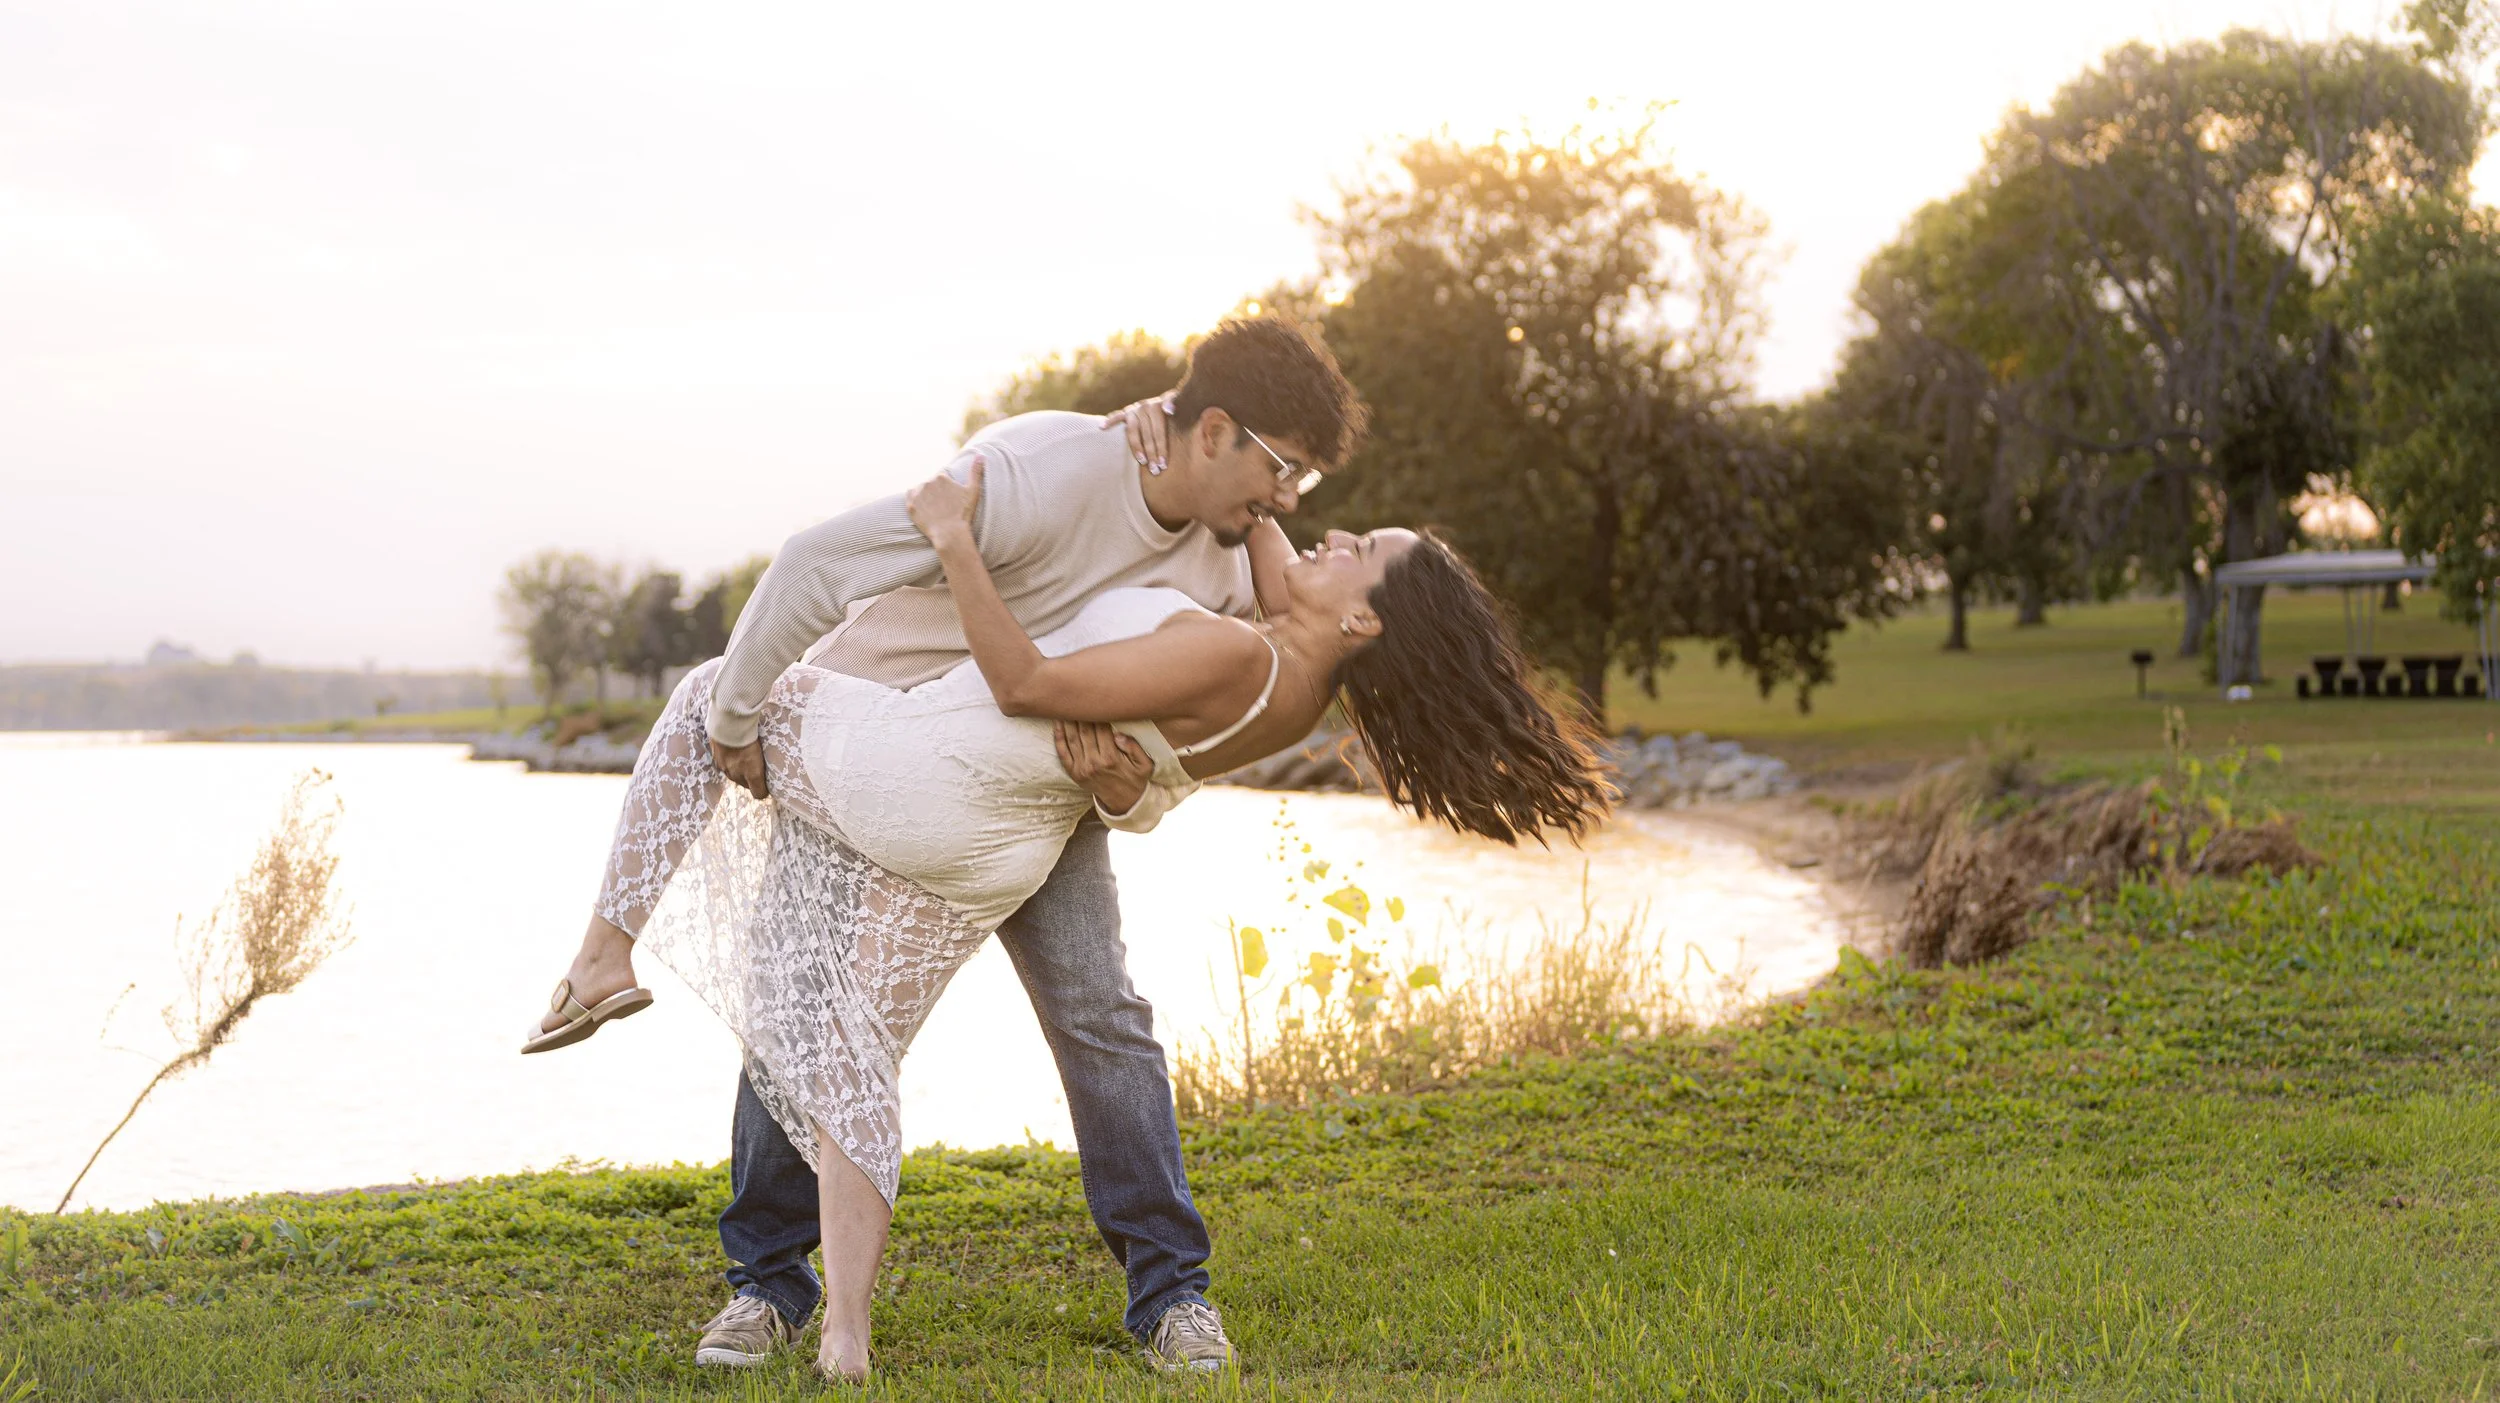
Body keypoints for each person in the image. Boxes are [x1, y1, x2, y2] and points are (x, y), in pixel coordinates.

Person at [523, 318, 1609, 1380]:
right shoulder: (1045, 468)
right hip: (884, 729)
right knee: (802, 1008)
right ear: (1210, 429)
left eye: (1307, 489)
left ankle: (1169, 1287)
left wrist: (1125, 790)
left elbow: (1187, 740)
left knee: (1098, 1014)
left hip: (1031, 806)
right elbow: (815, 564)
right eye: (1284, 471)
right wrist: (744, 710)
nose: (1290, 503)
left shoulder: (1242, 568)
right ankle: (769, 1281)